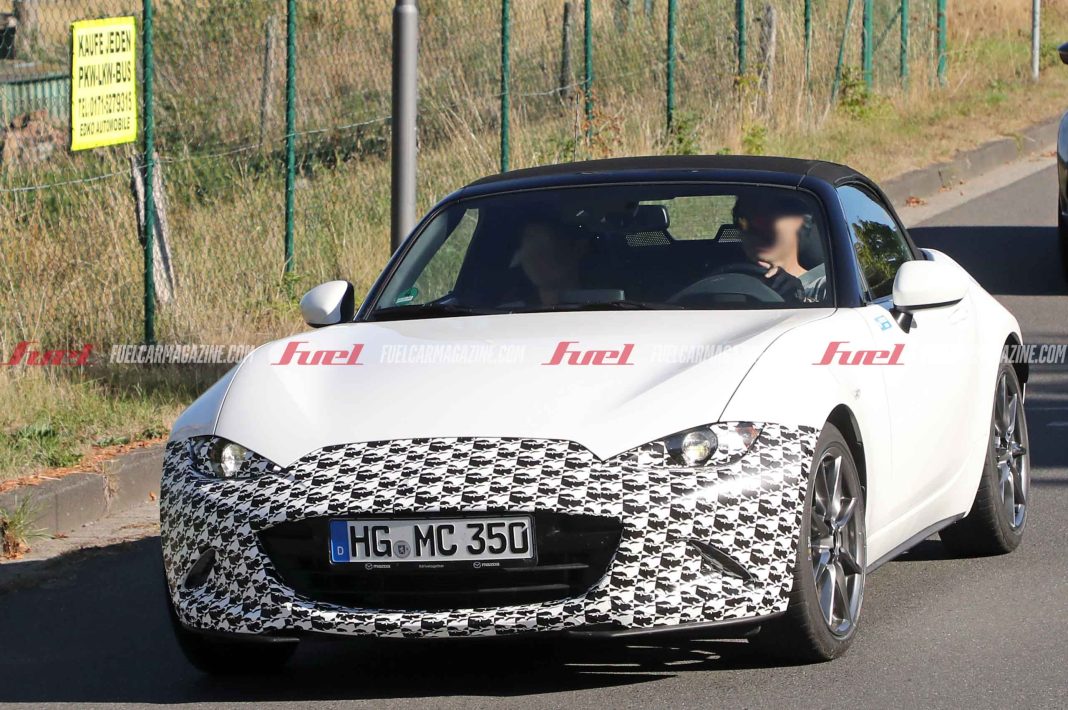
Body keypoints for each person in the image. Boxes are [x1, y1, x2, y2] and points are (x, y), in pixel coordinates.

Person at [732, 194, 828, 303]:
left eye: (768, 218)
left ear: (803, 223)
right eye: (743, 221)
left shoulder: (827, 288)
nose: (756, 228)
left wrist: (799, 299)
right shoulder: (725, 284)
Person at [509, 220, 589, 306]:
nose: (533, 259)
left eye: (543, 250)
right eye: (527, 253)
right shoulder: (508, 309)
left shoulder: (597, 300)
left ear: (578, 249)